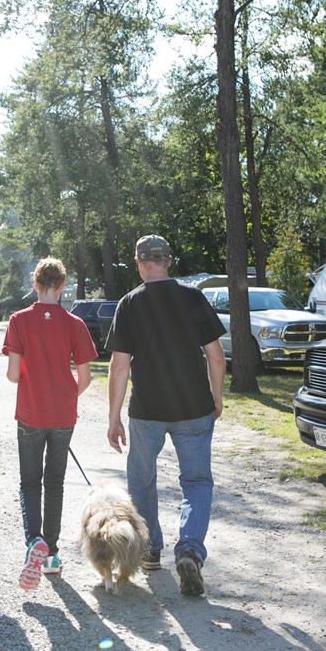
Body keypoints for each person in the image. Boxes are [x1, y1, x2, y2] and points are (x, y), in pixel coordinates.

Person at [105, 234, 226, 596]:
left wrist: (113, 418)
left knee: (142, 480)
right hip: (194, 407)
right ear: (169, 261)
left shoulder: (129, 304)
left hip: (147, 411)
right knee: (197, 481)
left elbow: (119, 366)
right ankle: (189, 549)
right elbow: (216, 357)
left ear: (140, 263)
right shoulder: (193, 297)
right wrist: (216, 398)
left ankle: (151, 549)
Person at [3, 257, 97, 590]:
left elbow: (13, 375)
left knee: (30, 483)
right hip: (62, 415)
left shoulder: (18, 320)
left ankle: (34, 543)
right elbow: (84, 377)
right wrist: (66, 395)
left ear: (35, 284)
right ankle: (52, 555)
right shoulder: (74, 324)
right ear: (61, 287)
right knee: (54, 482)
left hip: (30, 413)